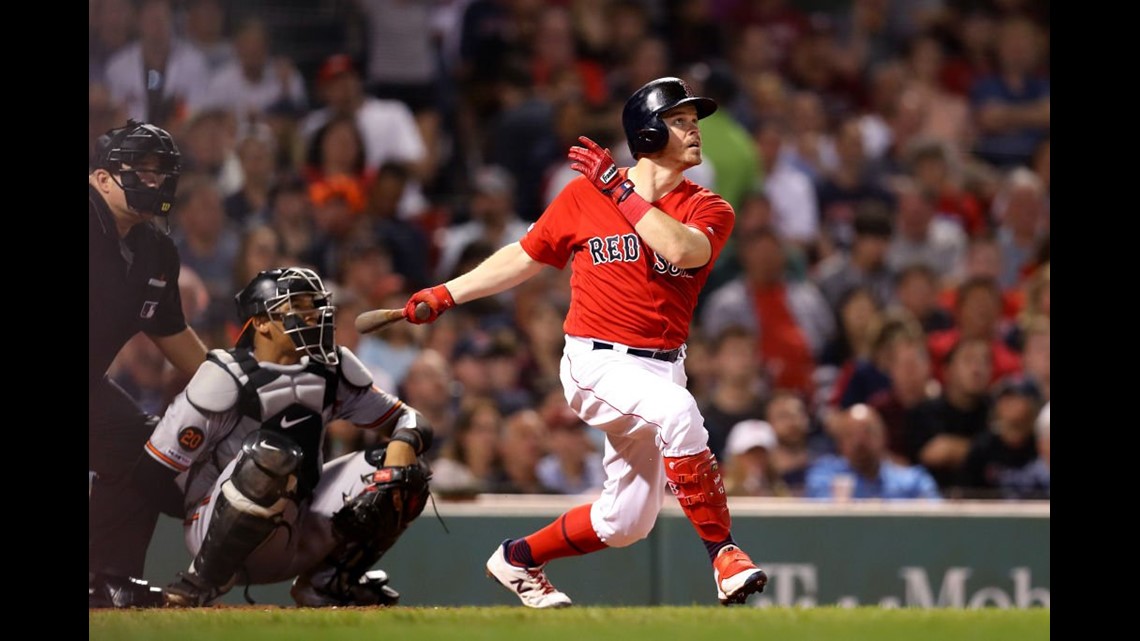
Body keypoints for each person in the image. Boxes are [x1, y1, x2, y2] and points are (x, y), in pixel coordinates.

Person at [401, 77, 768, 607]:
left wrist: (619, 192)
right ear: (646, 132)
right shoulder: (584, 195)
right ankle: (725, 557)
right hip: (596, 361)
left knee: (626, 523)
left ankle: (518, 558)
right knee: (679, 413)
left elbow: (684, 250)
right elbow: (525, 255)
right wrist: (445, 293)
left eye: (695, 121)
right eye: (681, 120)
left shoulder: (708, 207)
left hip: (663, 367)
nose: (694, 131)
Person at [149, 267, 435, 607]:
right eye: (297, 306)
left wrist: (403, 443)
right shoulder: (224, 375)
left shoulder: (332, 368)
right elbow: (157, 466)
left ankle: (329, 582)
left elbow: (409, 418)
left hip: (298, 526)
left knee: (406, 475)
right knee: (271, 456)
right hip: (214, 532)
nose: (313, 315)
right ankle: (203, 581)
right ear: (261, 322)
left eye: (314, 305)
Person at [89, 119, 210, 608]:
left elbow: (172, 335)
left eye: (159, 172)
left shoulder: (156, 250)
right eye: (137, 168)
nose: (151, 181)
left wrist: (239, 385)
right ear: (99, 178)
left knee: (146, 451)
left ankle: (104, 578)